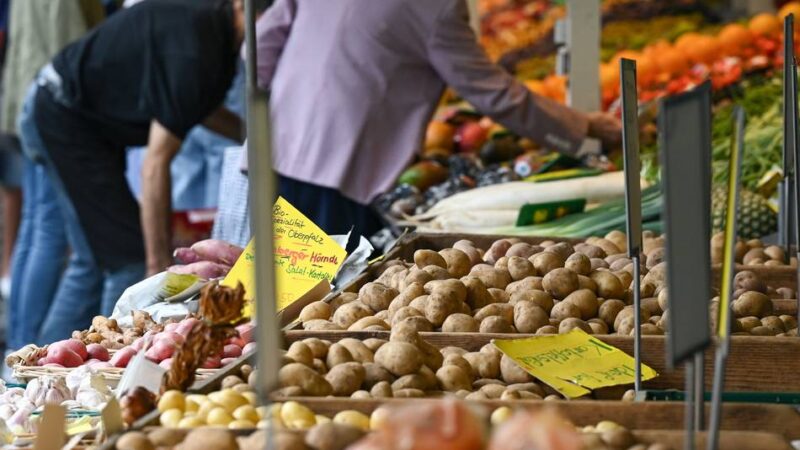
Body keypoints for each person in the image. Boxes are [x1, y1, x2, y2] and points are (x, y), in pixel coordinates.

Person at [250, 0, 622, 238]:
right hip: (341, 170)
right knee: (329, 295)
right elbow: (493, 93)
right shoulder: (435, 8)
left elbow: (259, 46)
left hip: (273, 148)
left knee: (280, 293)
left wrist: (287, 106)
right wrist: (584, 128)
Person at [19, 0, 245, 344]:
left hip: (71, 113)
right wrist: (154, 269)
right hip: (62, 115)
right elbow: (155, 166)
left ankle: (40, 369)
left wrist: (254, 135)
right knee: (124, 259)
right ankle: (45, 370)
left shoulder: (210, 36)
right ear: (242, 5)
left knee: (97, 257)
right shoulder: (198, 49)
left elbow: (190, 105)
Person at [2, 0, 105, 352]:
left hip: (28, 97)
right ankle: (24, 354)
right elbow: (72, 53)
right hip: (55, 110)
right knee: (47, 229)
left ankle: (17, 350)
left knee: (36, 227)